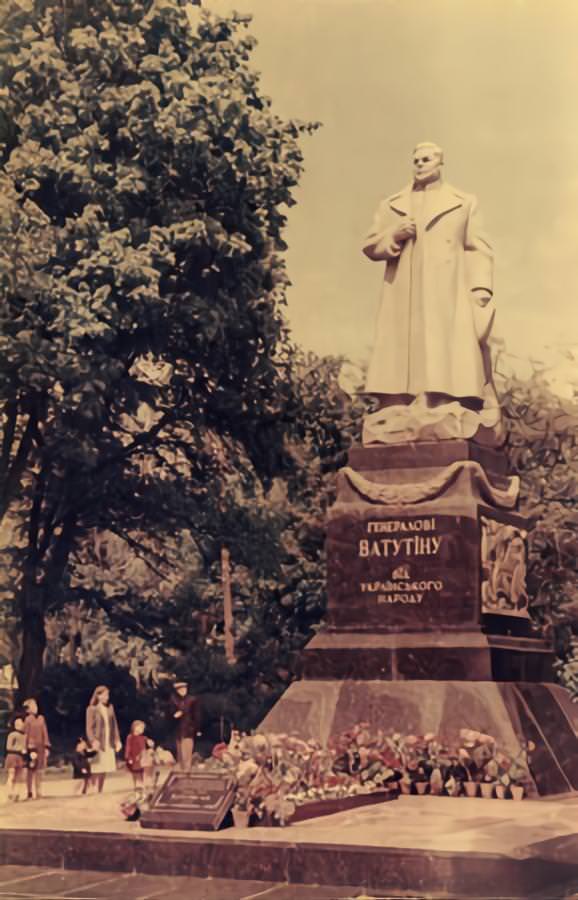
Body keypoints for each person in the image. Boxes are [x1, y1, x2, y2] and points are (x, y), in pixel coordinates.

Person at [362, 142, 495, 413]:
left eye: (427, 159)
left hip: (446, 286)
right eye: (417, 160)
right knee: (401, 342)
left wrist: (481, 287)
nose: (421, 164)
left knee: (443, 341)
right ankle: (396, 400)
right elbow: (370, 245)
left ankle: (442, 399)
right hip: (404, 286)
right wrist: (394, 235)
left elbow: (478, 248)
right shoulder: (391, 204)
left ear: (439, 163)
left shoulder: (463, 202)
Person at [85, 685, 121, 793]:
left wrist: (117, 740)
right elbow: (89, 727)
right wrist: (93, 740)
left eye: (108, 695)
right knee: (96, 766)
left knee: (105, 766)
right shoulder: (92, 709)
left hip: (108, 740)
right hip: (98, 740)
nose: (107, 697)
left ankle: (100, 789)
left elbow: (114, 725)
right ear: (99, 695)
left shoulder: (110, 708)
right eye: (105, 694)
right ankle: (93, 787)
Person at [168, 681, 201, 773]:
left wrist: (197, 729)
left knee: (187, 750)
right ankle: (182, 769)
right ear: (177, 691)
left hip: (188, 729)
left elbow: (196, 715)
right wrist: (174, 715)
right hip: (178, 729)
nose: (183, 691)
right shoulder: (173, 700)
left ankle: (187, 769)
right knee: (180, 751)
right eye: (180, 689)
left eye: (184, 689)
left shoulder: (192, 700)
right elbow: (170, 714)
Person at [22, 698, 51, 800]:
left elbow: (45, 733)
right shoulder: (28, 720)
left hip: (41, 747)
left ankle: (38, 791)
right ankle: (29, 792)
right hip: (31, 747)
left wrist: (47, 746)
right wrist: (25, 748)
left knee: (39, 770)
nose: (35, 708)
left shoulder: (41, 719)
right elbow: (25, 734)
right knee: (30, 770)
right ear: (28, 709)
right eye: (33, 706)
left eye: (36, 706)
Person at [124, 720, 155, 791]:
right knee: (136, 772)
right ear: (134, 727)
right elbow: (128, 747)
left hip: (141, 757)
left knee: (142, 770)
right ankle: (137, 785)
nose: (141, 730)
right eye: (140, 728)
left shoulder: (143, 737)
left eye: (142, 729)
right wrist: (128, 757)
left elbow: (149, 742)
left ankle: (142, 784)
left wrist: (150, 742)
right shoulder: (130, 737)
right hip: (134, 757)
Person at [4, 715, 27, 801]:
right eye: (18, 724)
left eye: (21, 723)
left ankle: (16, 793)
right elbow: (8, 747)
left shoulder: (24, 735)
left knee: (19, 776)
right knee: (12, 775)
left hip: (20, 757)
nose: (21, 725)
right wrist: (20, 749)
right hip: (12, 756)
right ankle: (9, 792)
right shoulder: (12, 735)